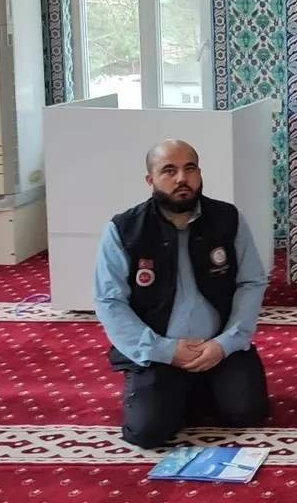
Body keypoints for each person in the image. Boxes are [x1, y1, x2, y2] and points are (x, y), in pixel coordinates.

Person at [92, 139, 270, 448]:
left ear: (200, 173)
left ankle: (192, 389)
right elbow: (109, 301)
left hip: (218, 346)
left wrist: (226, 343)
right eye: (169, 171)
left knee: (246, 412)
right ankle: (175, 391)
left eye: (190, 169)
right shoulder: (124, 229)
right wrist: (165, 351)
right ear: (150, 179)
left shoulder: (227, 219)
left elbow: (251, 282)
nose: (181, 179)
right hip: (159, 351)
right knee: (147, 433)